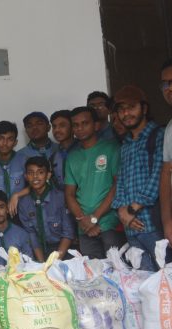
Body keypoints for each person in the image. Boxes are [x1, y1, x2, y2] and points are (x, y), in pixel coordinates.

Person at [111, 85, 164, 271]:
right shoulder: (125, 145)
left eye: (131, 107)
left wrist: (131, 209)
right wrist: (122, 212)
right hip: (131, 228)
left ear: (144, 108)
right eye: (121, 109)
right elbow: (121, 182)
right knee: (145, 281)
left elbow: (159, 176)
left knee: (167, 278)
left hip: (156, 226)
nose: (126, 114)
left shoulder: (159, 136)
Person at [65, 106, 124, 259]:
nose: (80, 128)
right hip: (84, 228)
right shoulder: (72, 157)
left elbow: (117, 186)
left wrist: (94, 218)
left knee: (119, 269)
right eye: (76, 125)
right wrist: (83, 220)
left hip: (110, 224)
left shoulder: (112, 148)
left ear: (96, 125)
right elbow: (69, 194)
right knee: (92, 271)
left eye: (85, 123)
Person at [18, 156, 74, 261]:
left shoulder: (61, 197)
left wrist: (54, 261)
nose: (35, 177)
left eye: (40, 172)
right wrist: (42, 263)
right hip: (38, 251)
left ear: (48, 175)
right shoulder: (23, 203)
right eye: (30, 173)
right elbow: (31, 234)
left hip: (62, 249)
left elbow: (68, 233)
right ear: (26, 176)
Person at [0, 121, 26, 219]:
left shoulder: (24, 161)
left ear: (15, 142)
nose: (5, 143)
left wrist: (17, 195)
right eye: (1, 138)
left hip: (23, 213)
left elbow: (34, 186)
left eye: (10, 139)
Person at [158, 58, 172, 245]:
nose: (169, 88)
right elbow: (167, 173)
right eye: (165, 84)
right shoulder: (169, 128)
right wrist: (167, 222)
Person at [49, 110, 76, 191]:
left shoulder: (83, 149)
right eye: (54, 126)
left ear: (73, 127)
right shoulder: (53, 157)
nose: (57, 130)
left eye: (62, 125)